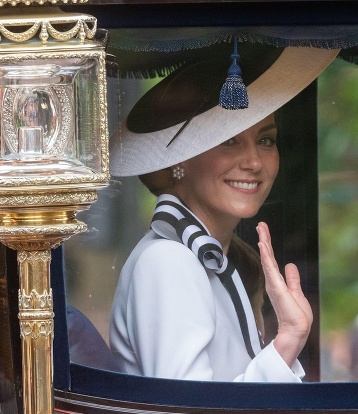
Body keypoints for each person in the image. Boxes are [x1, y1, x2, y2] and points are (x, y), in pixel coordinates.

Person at [108, 42, 338, 382]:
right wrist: (288, 339)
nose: (254, 162)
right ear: (181, 160)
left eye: (265, 141)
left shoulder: (215, 261)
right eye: (229, 141)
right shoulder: (170, 261)